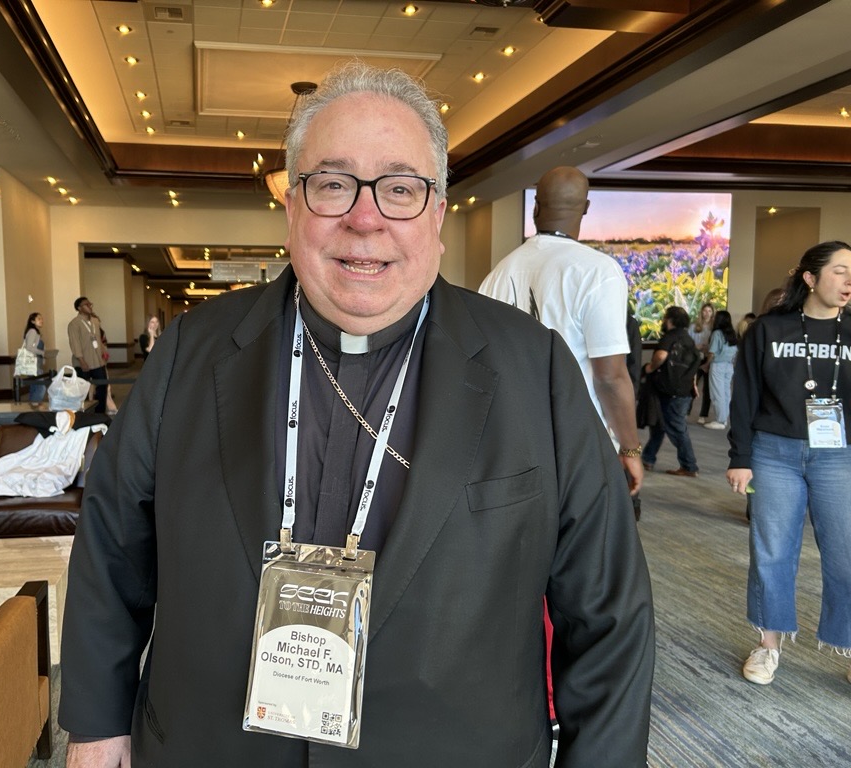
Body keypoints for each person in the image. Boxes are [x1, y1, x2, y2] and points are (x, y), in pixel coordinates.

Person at [59, 61, 654, 767]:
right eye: (333, 184)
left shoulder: (536, 367)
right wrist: (97, 722)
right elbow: (113, 546)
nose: (365, 218)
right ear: (292, 207)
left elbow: (608, 613)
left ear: (437, 215)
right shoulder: (192, 349)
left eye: (400, 188)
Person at [726, 240, 851, 687]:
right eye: (840, 271)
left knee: (846, 553)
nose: (849, 281)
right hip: (773, 452)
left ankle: (847, 644)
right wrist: (740, 457)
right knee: (772, 552)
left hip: (839, 455)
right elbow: (745, 395)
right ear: (811, 278)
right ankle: (768, 644)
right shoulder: (768, 329)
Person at [479, 165, 643, 498]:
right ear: (586, 207)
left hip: (510, 442)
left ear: (536, 207)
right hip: (578, 444)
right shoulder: (598, 272)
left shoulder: (498, 273)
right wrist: (630, 448)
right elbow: (610, 377)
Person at [641, 306, 700, 476]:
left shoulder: (669, 337)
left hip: (668, 390)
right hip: (683, 390)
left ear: (670, 320)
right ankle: (648, 458)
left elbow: (661, 356)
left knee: (676, 428)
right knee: (661, 425)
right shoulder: (688, 339)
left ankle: (689, 465)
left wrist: (650, 368)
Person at [67, 296, 106, 414]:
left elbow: (99, 340)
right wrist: (81, 361)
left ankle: (99, 413)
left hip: (98, 361)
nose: (90, 306)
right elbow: (75, 344)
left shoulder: (95, 321)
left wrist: (103, 353)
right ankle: (83, 414)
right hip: (83, 362)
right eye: (86, 305)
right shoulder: (74, 324)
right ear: (79, 308)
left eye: (90, 304)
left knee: (102, 386)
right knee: (82, 390)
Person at [703, 310, 738, 429]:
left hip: (717, 365)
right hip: (729, 365)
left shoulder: (717, 333)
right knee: (726, 392)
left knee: (717, 393)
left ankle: (720, 420)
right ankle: (724, 419)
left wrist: (706, 364)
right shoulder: (732, 333)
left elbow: (712, 352)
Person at [690, 302, 715, 423]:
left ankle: (703, 414)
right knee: (692, 384)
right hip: (696, 357)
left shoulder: (714, 328)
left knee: (707, 389)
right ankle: (687, 410)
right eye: (705, 311)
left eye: (709, 311)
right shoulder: (694, 326)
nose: (707, 314)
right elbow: (688, 342)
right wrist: (697, 346)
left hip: (709, 358)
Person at [92, 315, 118, 415]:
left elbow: (103, 344)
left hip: (101, 361)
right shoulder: (92, 332)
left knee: (105, 385)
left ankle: (109, 407)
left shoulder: (100, 332)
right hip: (94, 362)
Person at [22, 312, 46, 406]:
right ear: (32, 321)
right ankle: (35, 405)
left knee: (34, 386)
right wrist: (42, 353)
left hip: (35, 362)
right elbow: (29, 347)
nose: (41, 320)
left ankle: (32, 406)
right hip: (33, 362)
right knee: (41, 386)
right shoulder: (32, 331)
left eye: (41, 319)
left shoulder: (35, 332)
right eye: (39, 319)